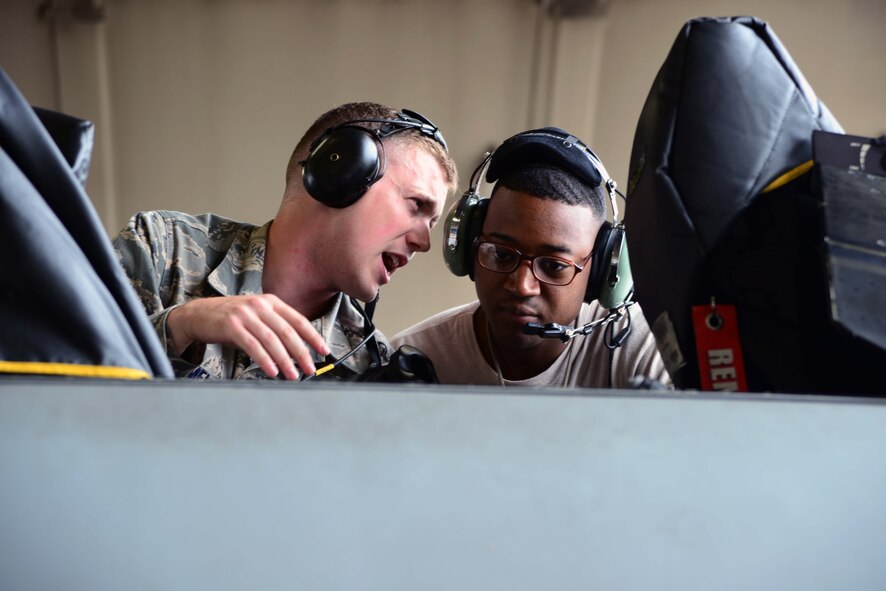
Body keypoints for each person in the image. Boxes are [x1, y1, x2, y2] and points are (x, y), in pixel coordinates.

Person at [113, 102, 458, 380]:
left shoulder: (369, 364)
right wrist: (180, 325)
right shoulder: (162, 247)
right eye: (416, 205)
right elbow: (68, 372)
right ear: (341, 175)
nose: (424, 242)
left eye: (432, 222)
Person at [391, 127, 670, 388]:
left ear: (599, 274)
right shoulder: (410, 360)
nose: (521, 285)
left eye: (553, 266)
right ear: (467, 247)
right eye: (501, 254)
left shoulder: (639, 346)